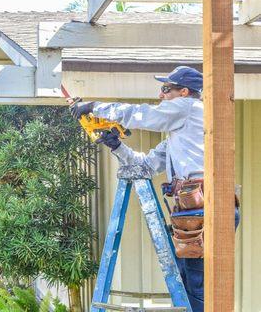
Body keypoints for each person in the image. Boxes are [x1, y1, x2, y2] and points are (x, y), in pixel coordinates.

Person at [70, 66, 205, 311]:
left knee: (196, 288)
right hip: (191, 213)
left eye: (166, 89)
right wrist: (117, 146)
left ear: (184, 92)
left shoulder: (190, 107)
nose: (161, 95)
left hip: (202, 209)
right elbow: (144, 167)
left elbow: (144, 115)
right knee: (188, 285)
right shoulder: (179, 137)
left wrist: (95, 107)